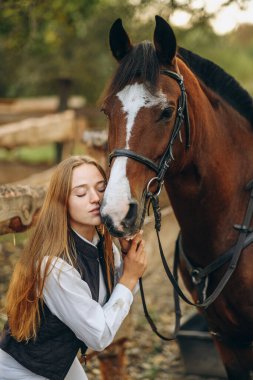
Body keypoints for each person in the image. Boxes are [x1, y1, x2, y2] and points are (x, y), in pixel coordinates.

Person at [0, 155, 147, 380]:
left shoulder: (104, 247)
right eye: (80, 193)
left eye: (101, 189)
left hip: (60, 362)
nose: (95, 198)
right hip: (21, 369)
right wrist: (129, 277)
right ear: (62, 202)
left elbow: (117, 299)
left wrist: (127, 263)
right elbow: (99, 336)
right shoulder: (54, 266)